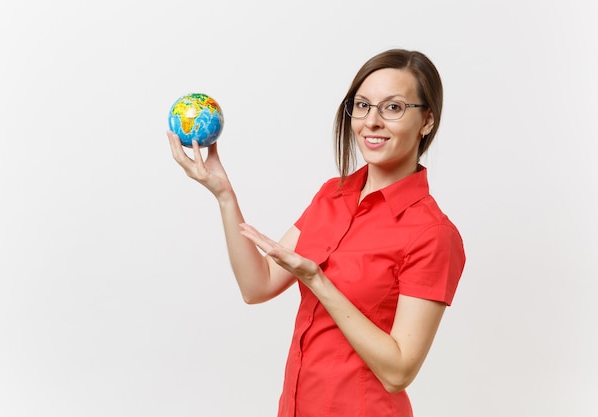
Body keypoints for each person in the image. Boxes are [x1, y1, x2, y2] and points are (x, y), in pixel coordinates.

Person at [167, 48, 466, 417]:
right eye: (362, 105)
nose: (371, 121)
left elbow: (398, 372)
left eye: (393, 108)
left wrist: (318, 281)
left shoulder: (433, 234)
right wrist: (224, 195)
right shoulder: (332, 194)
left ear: (427, 121)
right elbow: (256, 286)